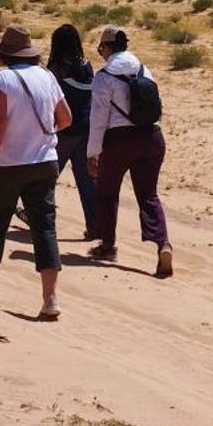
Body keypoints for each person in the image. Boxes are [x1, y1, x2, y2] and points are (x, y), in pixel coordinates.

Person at [0, 25, 70, 321]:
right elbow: (66, 118)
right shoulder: (47, 76)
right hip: (45, 162)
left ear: (4, 54)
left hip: (9, 164)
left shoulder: (2, 79)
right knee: (44, 227)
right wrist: (41, 137)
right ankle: (50, 298)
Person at [87, 25, 172, 276]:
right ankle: (163, 244)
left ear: (108, 48)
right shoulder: (146, 70)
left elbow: (99, 118)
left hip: (119, 141)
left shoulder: (104, 77)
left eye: (101, 48)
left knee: (107, 193)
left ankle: (108, 245)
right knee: (148, 195)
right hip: (152, 137)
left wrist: (93, 153)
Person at [47, 23, 100, 239]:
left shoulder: (56, 68)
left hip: (63, 130)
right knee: (87, 182)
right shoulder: (87, 66)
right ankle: (96, 226)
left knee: (47, 179)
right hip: (86, 129)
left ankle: (41, 220)